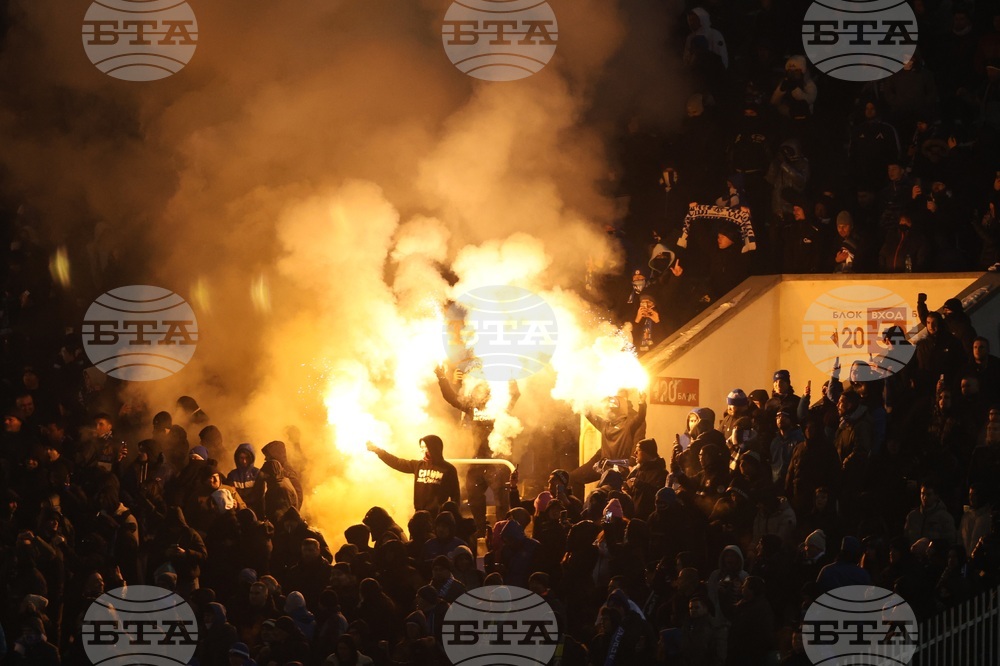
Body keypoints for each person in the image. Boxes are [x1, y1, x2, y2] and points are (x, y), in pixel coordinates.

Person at [433, 366, 518, 534]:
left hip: (497, 460)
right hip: (478, 459)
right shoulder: (472, 408)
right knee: (473, 493)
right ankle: (480, 528)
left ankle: (500, 531)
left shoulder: (501, 405)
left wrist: (508, 371)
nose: (479, 395)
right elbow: (452, 398)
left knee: (502, 500)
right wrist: (442, 378)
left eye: (484, 391)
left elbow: (515, 394)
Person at [367, 436, 460, 515]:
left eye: (424, 447)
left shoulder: (448, 469)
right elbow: (397, 463)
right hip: (419, 514)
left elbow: (455, 496)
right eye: (421, 447)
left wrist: (453, 516)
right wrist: (378, 451)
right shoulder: (418, 465)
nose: (422, 450)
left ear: (433, 448)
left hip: (438, 516)